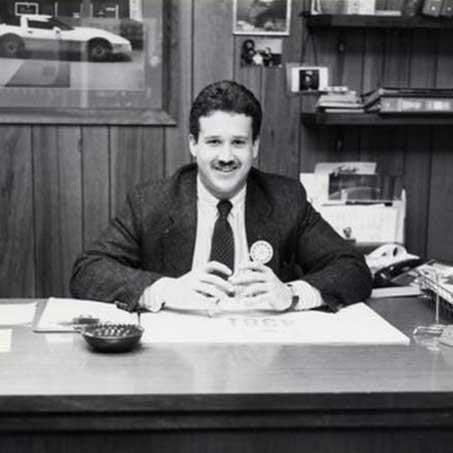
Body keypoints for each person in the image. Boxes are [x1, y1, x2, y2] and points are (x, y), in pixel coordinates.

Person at [70, 80, 372, 314]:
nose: (226, 157)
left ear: (254, 147)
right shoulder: (152, 202)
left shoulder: (285, 199)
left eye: (238, 142)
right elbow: (89, 271)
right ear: (194, 145)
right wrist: (164, 290)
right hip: (175, 360)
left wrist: (292, 295)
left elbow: (352, 269)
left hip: (263, 360)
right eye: (214, 142)